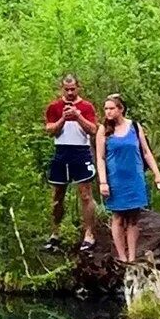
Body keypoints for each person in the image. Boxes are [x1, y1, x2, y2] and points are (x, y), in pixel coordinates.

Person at [95, 92, 160, 266]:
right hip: (115, 179)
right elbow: (100, 158)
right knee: (118, 217)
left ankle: (133, 256)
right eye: (106, 109)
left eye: (112, 108)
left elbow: (146, 152)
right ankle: (122, 256)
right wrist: (103, 181)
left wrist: (157, 174)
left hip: (134, 177)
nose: (108, 112)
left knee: (134, 217)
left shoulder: (134, 127)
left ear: (121, 109)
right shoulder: (104, 130)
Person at [42, 74, 102, 248]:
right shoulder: (54, 107)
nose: (69, 93)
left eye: (72, 89)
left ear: (78, 87)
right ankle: (55, 233)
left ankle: (89, 233)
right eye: (66, 89)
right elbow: (50, 130)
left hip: (80, 151)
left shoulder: (86, 106)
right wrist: (63, 118)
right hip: (61, 151)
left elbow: (93, 129)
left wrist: (77, 116)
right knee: (57, 195)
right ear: (61, 88)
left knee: (85, 194)